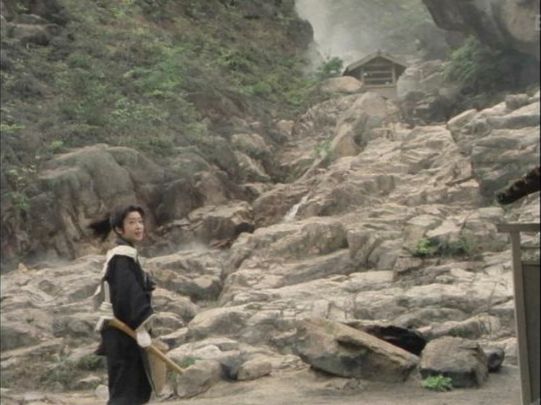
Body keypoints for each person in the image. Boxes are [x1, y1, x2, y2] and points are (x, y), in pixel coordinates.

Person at [89, 205, 157, 405]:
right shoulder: (121, 257)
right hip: (123, 332)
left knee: (133, 389)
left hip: (127, 333)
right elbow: (128, 293)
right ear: (119, 229)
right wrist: (142, 323)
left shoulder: (127, 255)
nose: (138, 226)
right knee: (125, 393)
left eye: (140, 221)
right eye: (132, 222)